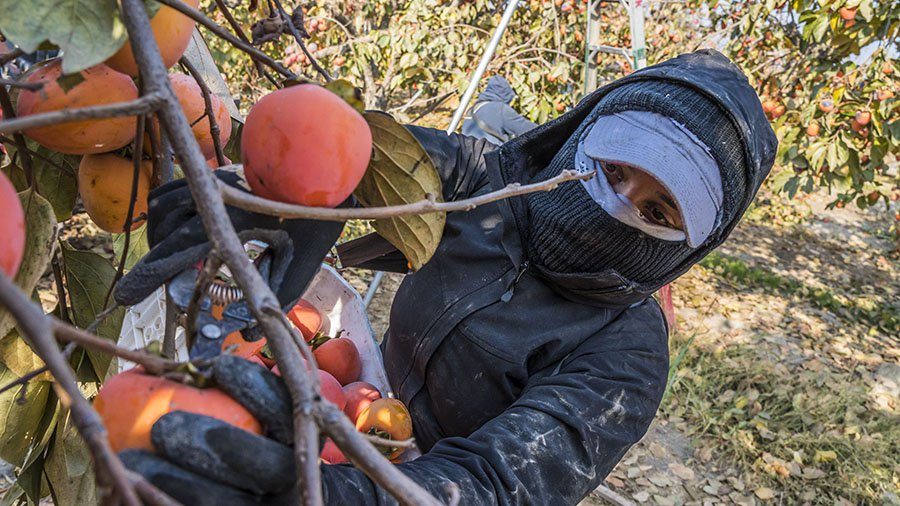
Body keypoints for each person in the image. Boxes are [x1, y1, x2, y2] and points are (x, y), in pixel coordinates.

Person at [118, 49, 777, 505]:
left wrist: (344, 495)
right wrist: (279, 195)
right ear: (581, 137)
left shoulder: (628, 356)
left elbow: (499, 483)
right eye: (612, 168)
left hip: (412, 471)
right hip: (363, 399)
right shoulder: (492, 182)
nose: (616, 206)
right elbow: (371, 158)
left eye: (658, 212)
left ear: (691, 247)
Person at [461, 75, 537, 144]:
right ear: (505, 94)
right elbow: (530, 129)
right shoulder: (500, 109)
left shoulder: (472, 110)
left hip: (468, 154)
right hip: (489, 153)